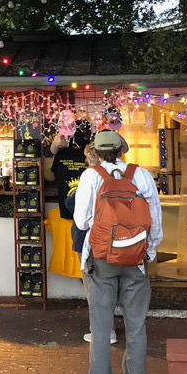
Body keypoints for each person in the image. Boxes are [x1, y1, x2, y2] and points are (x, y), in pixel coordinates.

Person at [73, 131, 162, 374]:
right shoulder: (142, 175)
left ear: (97, 152)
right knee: (136, 328)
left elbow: (81, 221)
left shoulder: (91, 176)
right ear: (122, 150)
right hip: (136, 261)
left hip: (101, 260)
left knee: (101, 330)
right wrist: (148, 253)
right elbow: (155, 221)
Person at [65, 143, 117, 345]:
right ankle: (108, 328)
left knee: (93, 288)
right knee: (107, 285)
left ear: (90, 158)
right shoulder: (119, 175)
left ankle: (103, 332)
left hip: (89, 239)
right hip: (112, 238)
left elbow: (73, 207)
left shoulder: (89, 176)